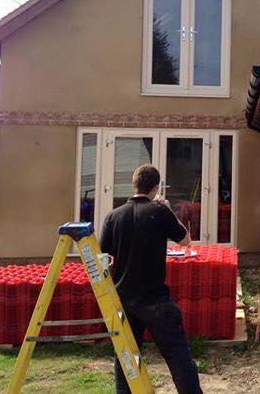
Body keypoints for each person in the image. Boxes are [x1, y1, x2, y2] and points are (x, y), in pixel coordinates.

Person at [100, 163, 202, 394]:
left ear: (133, 185)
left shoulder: (113, 216)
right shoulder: (159, 212)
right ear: (155, 188)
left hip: (123, 299)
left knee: (125, 358)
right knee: (178, 358)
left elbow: (103, 254)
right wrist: (167, 210)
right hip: (154, 299)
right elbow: (185, 241)